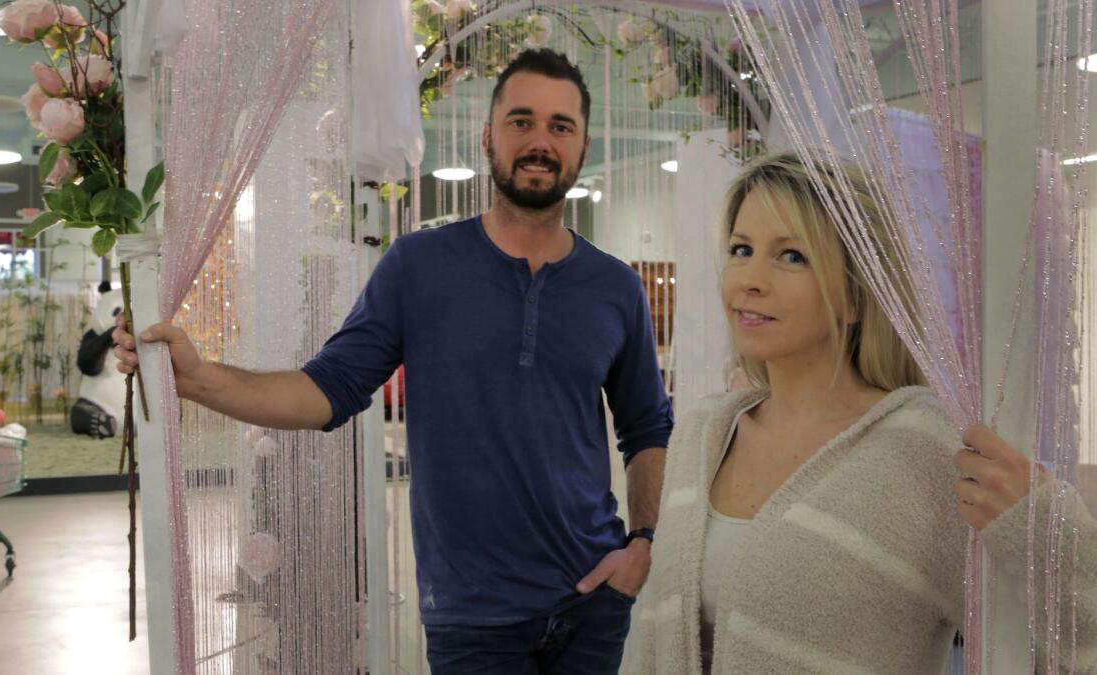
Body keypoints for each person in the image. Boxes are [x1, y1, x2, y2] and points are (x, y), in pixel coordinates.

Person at [113, 48, 673, 674]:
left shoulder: (614, 287)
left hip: (593, 601)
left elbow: (647, 428)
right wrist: (199, 378)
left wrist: (643, 545)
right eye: (521, 121)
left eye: (559, 126)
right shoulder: (419, 266)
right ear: (487, 137)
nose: (540, 141)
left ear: (583, 146)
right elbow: (326, 390)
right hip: (471, 614)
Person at [625, 153, 1097, 673]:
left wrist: (1045, 528)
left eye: (793, 257)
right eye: (742, 249)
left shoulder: (923, 453)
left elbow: (1067, 639)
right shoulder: (702, 433)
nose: (749, 279)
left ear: (856, 294)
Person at [72, 280, 122, 438]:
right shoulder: (94, 336)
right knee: (80, 412)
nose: (122, 317)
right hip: (98, 403)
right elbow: (89, 367)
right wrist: (109, 335)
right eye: (117, 312)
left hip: (139, 409)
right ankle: (102, 422)